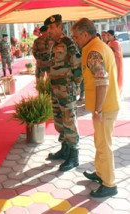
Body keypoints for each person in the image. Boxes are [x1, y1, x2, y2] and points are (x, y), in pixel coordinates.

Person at [71, 18, 120, 198]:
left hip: (105, 108)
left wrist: (98, 109)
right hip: (105, 105)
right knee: (99, 142)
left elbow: (102, 82)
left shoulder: (93, 51)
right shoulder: (97, 46)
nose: (75, 40)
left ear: (85, 34)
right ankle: (100, 174)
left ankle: (109, 184)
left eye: (76, 37)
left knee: (104, 145)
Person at [44, 14, 82, 172]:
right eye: (48, 28)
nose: (49, 30)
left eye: (52, 27)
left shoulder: (68, 43)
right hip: (56, 89)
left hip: (66, 90)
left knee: (69, 121)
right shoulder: (55, 44)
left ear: (60, 26)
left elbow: (77, 66)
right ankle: (65, 148)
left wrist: (77, 86)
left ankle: (74, 156)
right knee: (59, 121)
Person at [107, 30, 123, 95]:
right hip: (112, 62)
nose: (107, 37)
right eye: (107, 35)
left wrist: (110, 51)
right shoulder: (110, 43)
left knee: (117, 75)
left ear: (112, 35)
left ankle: (117, 90)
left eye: (109, 35)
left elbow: (118, 54)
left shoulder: (116, 43)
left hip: (117, 62)